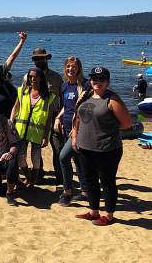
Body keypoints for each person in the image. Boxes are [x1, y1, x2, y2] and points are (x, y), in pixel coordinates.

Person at [72, 67, 132, 226]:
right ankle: (93, 212)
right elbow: (78, 118)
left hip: (107, 149)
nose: (97, 82)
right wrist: (74, 137)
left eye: (101, 79)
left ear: (107, 82)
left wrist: (106, 130)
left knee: (107, 182)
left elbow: (126, 124)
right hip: (85, 147)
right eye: (94, 79)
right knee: (90, 180)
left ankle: (110, 216)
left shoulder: (112, 99)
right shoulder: (86, 95)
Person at [11, 68, 58, 187]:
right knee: (21, 158)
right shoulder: (22, 91)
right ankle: (29, 178)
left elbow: (48, 119)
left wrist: (46, 136)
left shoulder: (49, 96)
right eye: (31, 76)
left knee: (36, 160)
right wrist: (11, 122)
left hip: (37, 133)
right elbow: (16, 107)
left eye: (36, 76)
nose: (33, 79)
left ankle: (32, 182)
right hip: (20, 130)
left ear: (41, 78)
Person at [24, 48, 64, 185]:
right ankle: (39, 173)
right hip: (36, 120)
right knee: (36, 149)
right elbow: (24, 98)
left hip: (54, 118)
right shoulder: (27, 77)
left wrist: (61, 117)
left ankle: (60, 177)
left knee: (58, 148)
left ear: (46, 59)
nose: (39, 60)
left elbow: (62, 98)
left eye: (41, 58)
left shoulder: (56, 77)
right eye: (36, 58)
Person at [57, 56, 89, 206]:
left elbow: (88, 110)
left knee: (63, 157)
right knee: (77, 160)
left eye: (74, 67)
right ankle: (85, 192)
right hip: (66, 127)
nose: (71, 69)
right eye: (68, 66)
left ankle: (67, 192)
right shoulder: (64, 86)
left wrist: (77, 129)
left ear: (79, 69)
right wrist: (58, 117)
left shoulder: (85, 85)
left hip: (79, 130)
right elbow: (67, 107)